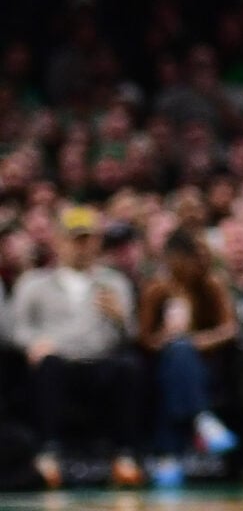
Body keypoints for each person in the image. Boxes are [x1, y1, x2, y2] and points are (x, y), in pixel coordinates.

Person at [7, 206, 142, 488]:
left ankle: (125, 455)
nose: (82, 246)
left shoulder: (113, 282)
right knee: (48, 366)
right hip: (56, 361)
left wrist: (120, 319)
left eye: (89, 239)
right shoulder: (35, 283)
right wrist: (34, 343)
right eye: (75, 239)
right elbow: (16, 328)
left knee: (128, 367)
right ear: (59, 241)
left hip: (100, 361)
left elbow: (130, 334)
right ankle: (49, 453)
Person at [135, 228, 241, 487]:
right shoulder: (156, 290)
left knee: (182, 352)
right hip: (164, 365)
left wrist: (196, 342)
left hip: (206, 365)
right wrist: (166, 340)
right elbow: (145, 338)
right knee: (175, 361)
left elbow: (230, 329)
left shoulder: (212, 285)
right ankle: (201, 418)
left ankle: (168, 456)